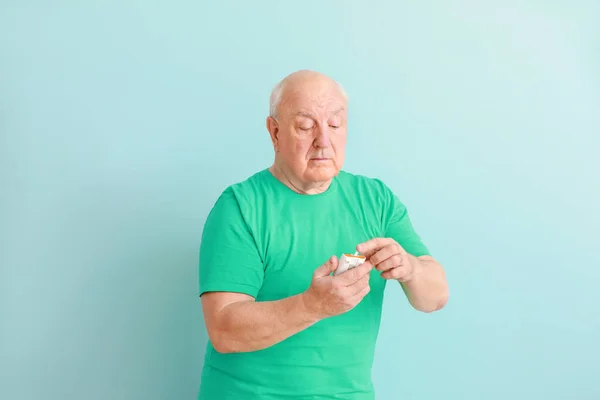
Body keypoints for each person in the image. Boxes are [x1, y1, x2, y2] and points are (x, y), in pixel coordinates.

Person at [197, 70, 449, 400]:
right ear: (274, 133)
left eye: (334, 124)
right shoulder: (240, 207)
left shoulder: (376, 200)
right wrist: (312, 305)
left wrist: (410, 268)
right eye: (305, 126)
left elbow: (434, 297)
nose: (323, 140)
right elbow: (224, 330)